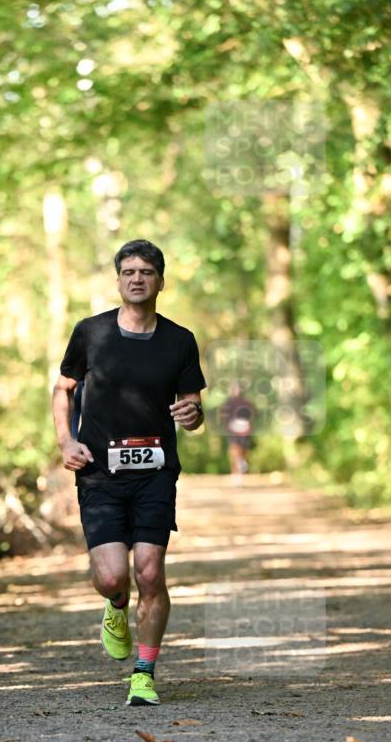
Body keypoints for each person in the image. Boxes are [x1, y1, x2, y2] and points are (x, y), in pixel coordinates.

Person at [52, 239, 206, 706]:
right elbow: (63, 389)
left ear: (161, 280)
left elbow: (194, 405)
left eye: (146, 272)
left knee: (151, 570)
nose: (136, 278)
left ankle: (144, 671)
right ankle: (115, 604)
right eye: (128, 272)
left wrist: (194, 415)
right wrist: (66, 440)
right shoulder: (91, 333)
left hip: (156, 471)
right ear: (118, 280)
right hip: (99, 470)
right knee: (114, 575)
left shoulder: (180, 340)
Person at [221, 382, 255, 478]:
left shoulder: (246, 402)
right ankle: (235, 474)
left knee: (244, 452)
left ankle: (241, 473)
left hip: (245, 431)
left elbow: (252, 413)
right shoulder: (229, 403)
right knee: (235, 452)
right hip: (233, 431)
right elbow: (224, 415)